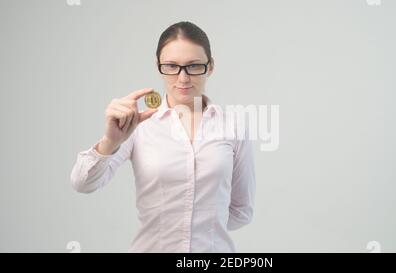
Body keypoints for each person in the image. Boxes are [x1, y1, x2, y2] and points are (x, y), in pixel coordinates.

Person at [70, 21, 256, 252]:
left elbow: (242, 210)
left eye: (194, 66)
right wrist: (111, 141)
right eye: (171, 66)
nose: (183, 78)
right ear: (158, 65)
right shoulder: (137, 124)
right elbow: (82, 183)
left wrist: (203, 228)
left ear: (210, 67)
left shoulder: (233, 126)